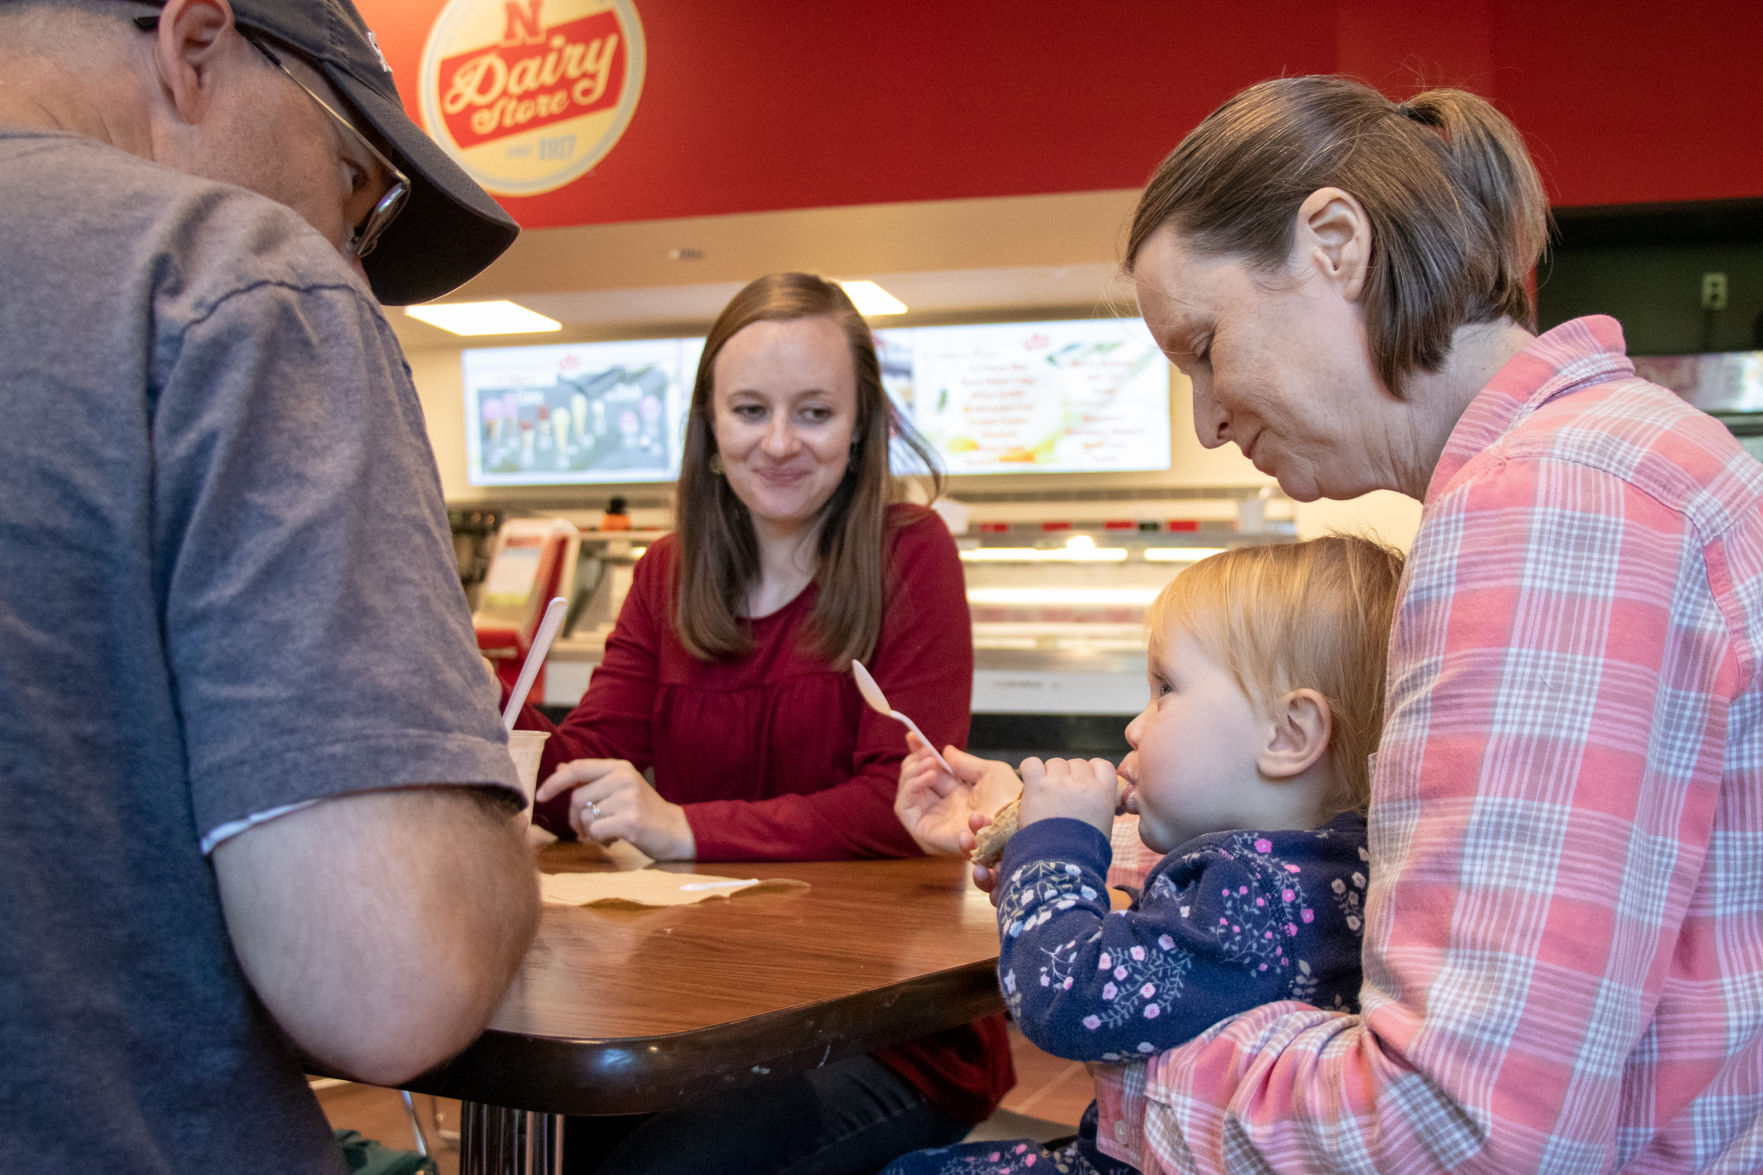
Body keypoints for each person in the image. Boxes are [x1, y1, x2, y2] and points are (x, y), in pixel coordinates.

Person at [896, 75, 1763, 1173]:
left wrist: (1131, 1034)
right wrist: (1059, 825)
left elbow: (1451, 1133)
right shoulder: (1626, 456)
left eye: (1204, 346)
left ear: (1335, 243)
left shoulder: (1547, 507)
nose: (1206, 420)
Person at [0, 1, 540, 1171]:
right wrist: (488, 836)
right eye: (358, 186)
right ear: (194, 47)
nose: (352, 255)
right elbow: (393, 974)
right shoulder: (226, 273)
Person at [515, 272, 1015, 1173]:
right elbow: (585, 758)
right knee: (556, 1141)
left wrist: (678, 826)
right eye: (749, 410)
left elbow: (889, 805)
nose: (778, 442)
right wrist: (490, 751)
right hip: (698, 1006)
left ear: (860, 426)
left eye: (814, 413)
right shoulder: (667, 571)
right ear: (709, 426)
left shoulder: (909, 552)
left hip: (882, 1027)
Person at [885, 536, 1401, 1175]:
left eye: (1165, 688)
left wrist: (1052, 855)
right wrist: (1021, 821)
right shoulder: (1326, 869)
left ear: (1287, 734)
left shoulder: (1251, 893)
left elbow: (1066, 998)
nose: (1135, 726)